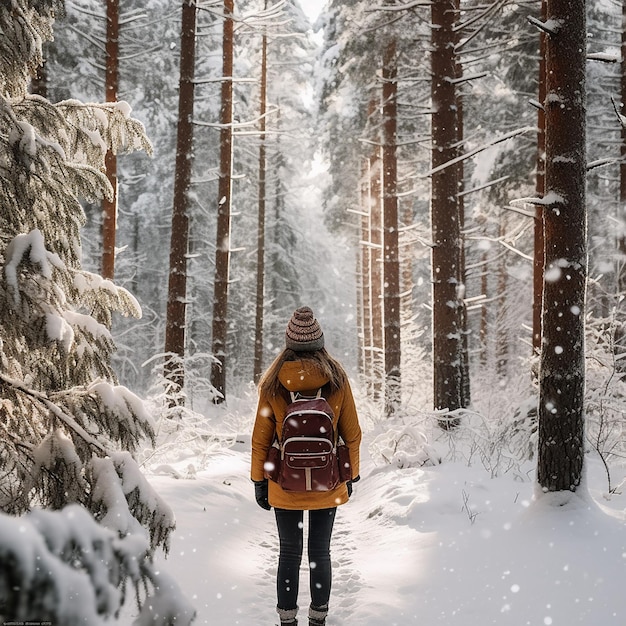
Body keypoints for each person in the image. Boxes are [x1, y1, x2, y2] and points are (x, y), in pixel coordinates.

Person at [251, 306, 362, 626]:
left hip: (284, 482)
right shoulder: (337, 378)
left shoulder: (273, 383)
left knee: (288, 553)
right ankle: (318, 620)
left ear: (289, 344)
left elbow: (260, 439)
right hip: (328, 483)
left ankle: (287, 621)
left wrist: (259, 480)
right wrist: (350, 474)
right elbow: (352, 434)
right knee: (320, 553)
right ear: (320, 343)